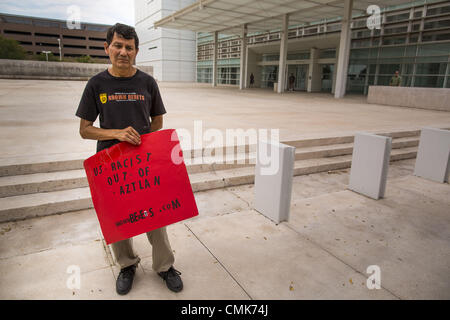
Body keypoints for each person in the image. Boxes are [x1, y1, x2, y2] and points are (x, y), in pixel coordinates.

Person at [75, 23, 183, 295]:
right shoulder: (96, 84)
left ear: (136, 51)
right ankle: (127, 265)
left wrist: (145, 142)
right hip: (109, 163)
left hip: (144, 162)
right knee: (118, 218)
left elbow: (157, 120)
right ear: (107, 48)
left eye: (129, 47)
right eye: (118, 46)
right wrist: (118, 134)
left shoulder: (147, 82)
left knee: (155, 217)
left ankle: (164, 266)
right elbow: (85, 130)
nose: (123, 52)